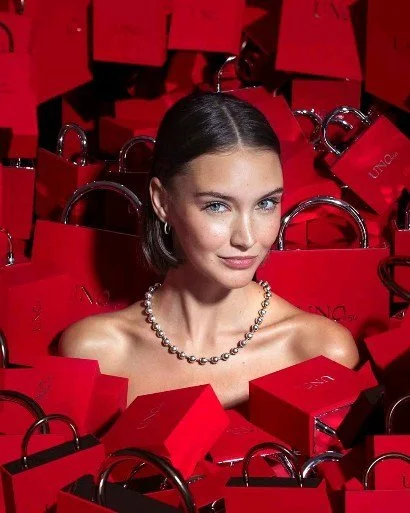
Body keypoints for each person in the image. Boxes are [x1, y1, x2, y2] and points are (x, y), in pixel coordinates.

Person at [59, 92, 359, 410]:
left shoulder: (320, 352)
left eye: (266, 203)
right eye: (217, 206)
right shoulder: (96, 353)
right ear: (162, 201)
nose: (247, 238)